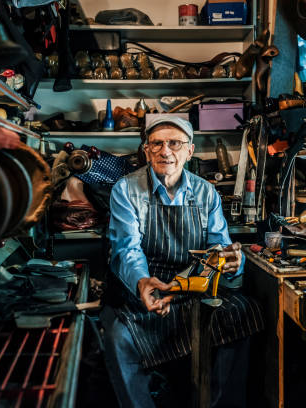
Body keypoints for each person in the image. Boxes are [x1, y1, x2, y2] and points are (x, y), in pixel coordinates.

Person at [101, 116, 264, 407]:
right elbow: (126, 249)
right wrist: (142, 282)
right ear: (146, 151)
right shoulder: (126, 190)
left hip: (193, 290)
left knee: (243, 312)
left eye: (174, 143)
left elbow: (219, 247)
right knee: (118, 336)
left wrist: (231, 261)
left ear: (190, 151)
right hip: (146, 293)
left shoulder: (206, 192)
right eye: (157, 144)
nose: (166, 151)